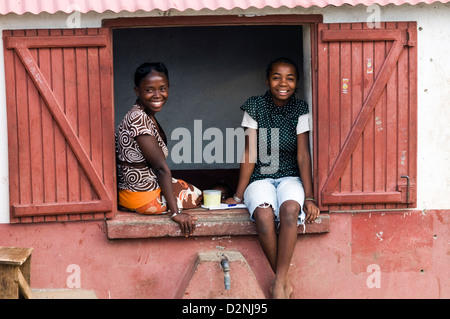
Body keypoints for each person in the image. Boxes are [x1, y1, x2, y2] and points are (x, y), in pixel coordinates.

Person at [225, 57, 320, 298]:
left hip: (290, 176)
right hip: (260, 177)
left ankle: (278, 282)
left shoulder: (301, 109)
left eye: (290, 78)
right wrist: (238, 195)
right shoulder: (255, 106)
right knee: (264, 212)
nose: (283, 83)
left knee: (289, 210)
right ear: (268, 80)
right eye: (277, 77)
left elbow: (303, 155)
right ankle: (283, 280)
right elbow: (250, 152)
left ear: (297, 82)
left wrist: (308, 196)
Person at [115, 62, 201, 237]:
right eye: (149, 90)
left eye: (162, 88)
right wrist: (176, 213)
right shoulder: (138, 119)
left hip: (134, 193)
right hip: (144, 199)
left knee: (191, 189)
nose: (157, 95)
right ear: (137, 91)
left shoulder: (143, 114)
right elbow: (160, 168)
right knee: (198, 196)